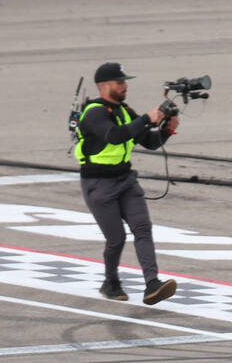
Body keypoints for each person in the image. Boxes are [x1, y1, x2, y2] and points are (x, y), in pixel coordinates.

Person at [74, 62, 179, 305]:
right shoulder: (94, 112)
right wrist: (147, 118)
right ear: (104, 86)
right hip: (98, 185)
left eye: (125, 81)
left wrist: (167, 129)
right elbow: (115, 135)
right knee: (116, 238)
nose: (125, 86)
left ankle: (152, 284)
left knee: (142, 228)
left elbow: (150, 142)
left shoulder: (125, 110)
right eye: (120, 82)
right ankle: (110, 281)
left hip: (125, 180)